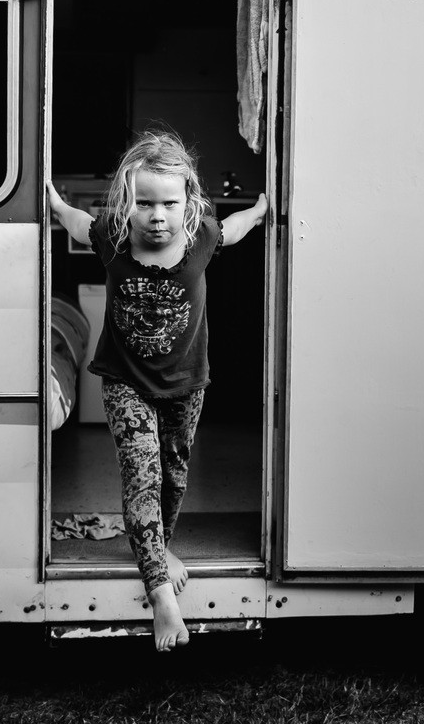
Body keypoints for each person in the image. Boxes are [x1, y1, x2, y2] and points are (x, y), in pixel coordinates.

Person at [47, 131, 267, 651]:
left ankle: (159, 546)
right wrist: (53, 202)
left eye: (169, 203)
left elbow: (234, 228)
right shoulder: (111, 237)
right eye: (144, 203)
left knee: (173, 473)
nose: (157, 215)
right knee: (142, 475)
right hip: (126, 383)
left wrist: (259, 211)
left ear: (189, 202)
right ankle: (161, 596)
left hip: (186, 384)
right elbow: (75, 221)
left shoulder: (202, 237)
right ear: (127, 203)